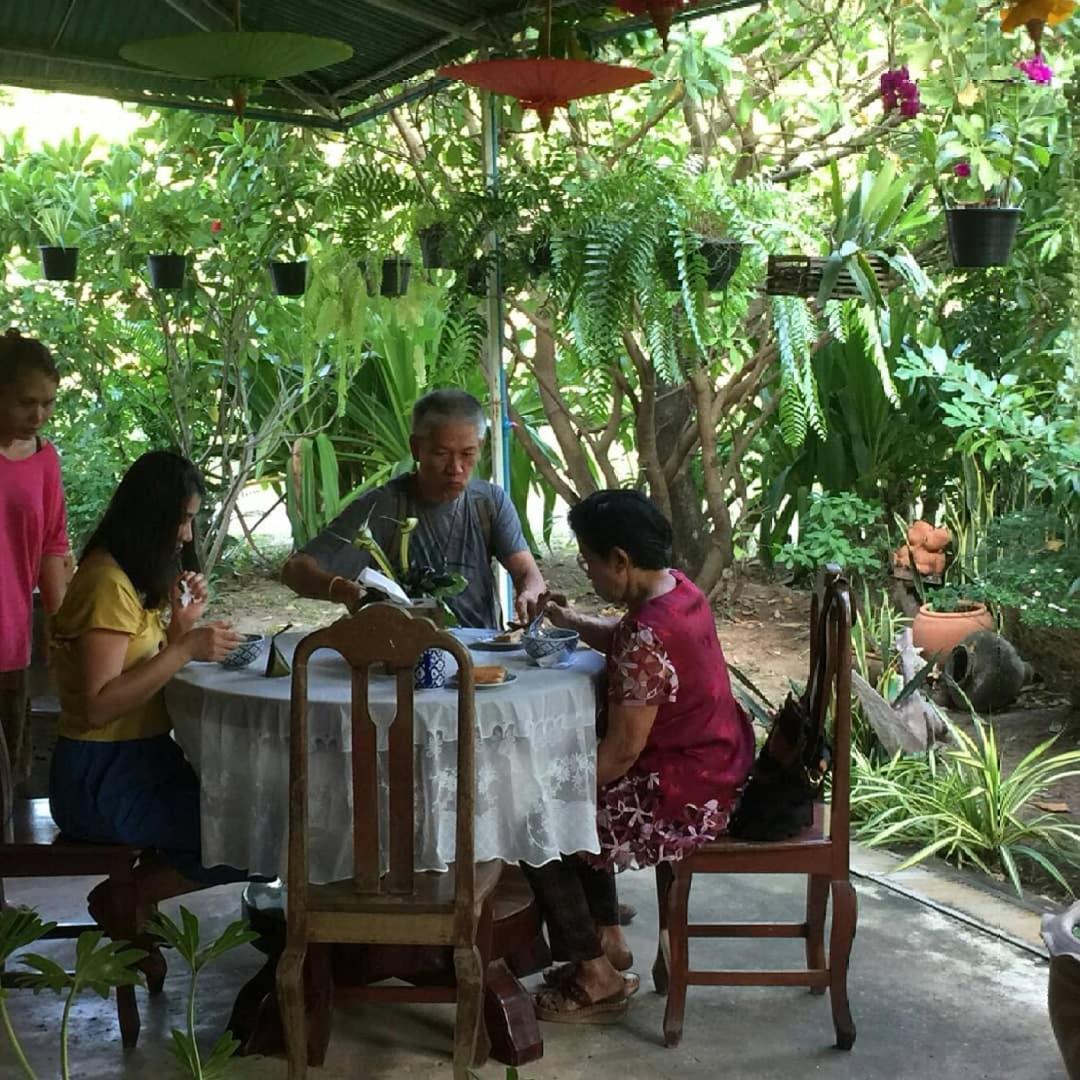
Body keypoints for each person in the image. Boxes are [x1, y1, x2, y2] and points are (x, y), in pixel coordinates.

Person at [523, 489, 755, 1024]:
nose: (588, 572)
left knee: (535, 822)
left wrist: (552, 794)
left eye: (589, 561)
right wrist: (570, 619)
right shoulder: (679, 592)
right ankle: (606, 939)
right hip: (719, 764)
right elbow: (627, 643)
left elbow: (623, 753)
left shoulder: (645, 632)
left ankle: (595, 975)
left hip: (685, 794)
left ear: (621, 561)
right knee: (572, 791)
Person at [48, 451, 244, 981]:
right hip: (101, 776)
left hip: (142, 761)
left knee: (251, 822)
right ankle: (129, 899)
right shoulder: (105, 585)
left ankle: (131, 900)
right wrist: (183, 650)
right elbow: (97, 705)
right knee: (246, 833)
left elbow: (144, 673)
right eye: (180, 519)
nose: (185, 534)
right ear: (151, 517)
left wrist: (181, 626)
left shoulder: (128, 582)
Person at [282, 388, 546, 628]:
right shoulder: (383, 506)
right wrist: (344, 591)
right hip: (403, 658)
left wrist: (530, 594)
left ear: (481, 446)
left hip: (482, 655)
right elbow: (295, 570)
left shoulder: (489, 503)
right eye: (442, 454)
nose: (455, 468)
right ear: (416, 448)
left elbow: (526, 572)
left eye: (467, 454)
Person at [0, 330, 69, 787]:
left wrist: (62, 627)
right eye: (27, 402)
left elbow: (53, 546)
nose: (38, 415)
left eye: (47, 403)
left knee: (7, 771)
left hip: (10, 637)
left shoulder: (45, 460)